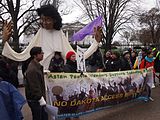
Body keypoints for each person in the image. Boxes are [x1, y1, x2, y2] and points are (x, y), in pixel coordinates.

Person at [2, 4, 102, 70]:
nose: (44, 22)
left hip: (56, 79)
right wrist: (5, 42)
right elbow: (23, 55)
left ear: (54, 20)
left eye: (47, 19)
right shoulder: (41, 32)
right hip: (41, 76)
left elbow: (76, 57)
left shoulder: (59, 34)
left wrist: (95, 43)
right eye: (42, 19)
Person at [25, 46, 48, 120]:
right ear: (35, 55)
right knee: (38, 117)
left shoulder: (36, 66)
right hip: (35, 100)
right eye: (41, 53)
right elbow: (34, 86)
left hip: (37, 98)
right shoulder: (32, 69)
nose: (43, 54)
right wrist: (41, 99)